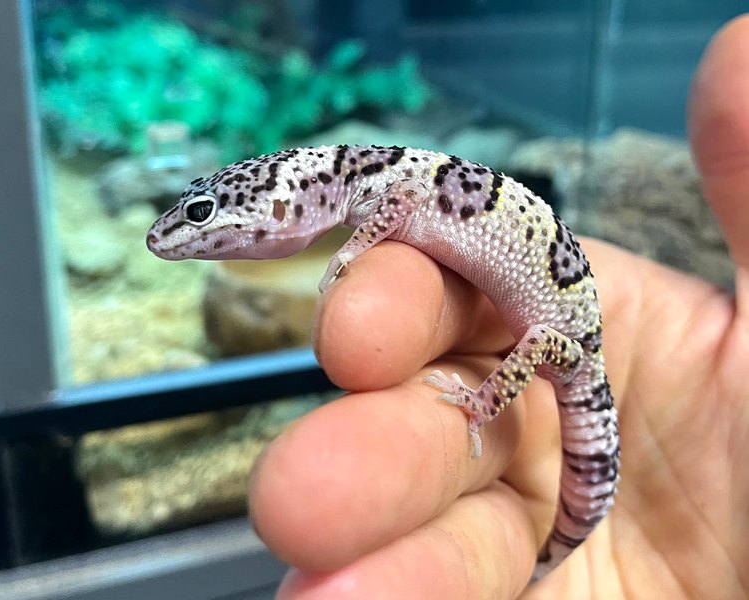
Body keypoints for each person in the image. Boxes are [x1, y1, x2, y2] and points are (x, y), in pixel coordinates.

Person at [248, 15, 749, 599]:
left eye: (205, 215)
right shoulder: (360, 177)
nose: (185, 234)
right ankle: (547, 553)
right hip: (565, 318)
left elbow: (407, 195)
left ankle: (507, 455)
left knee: (530, 343)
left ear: (279, 204)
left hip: (565, 339)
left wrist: (481, 400)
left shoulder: (374, 183)